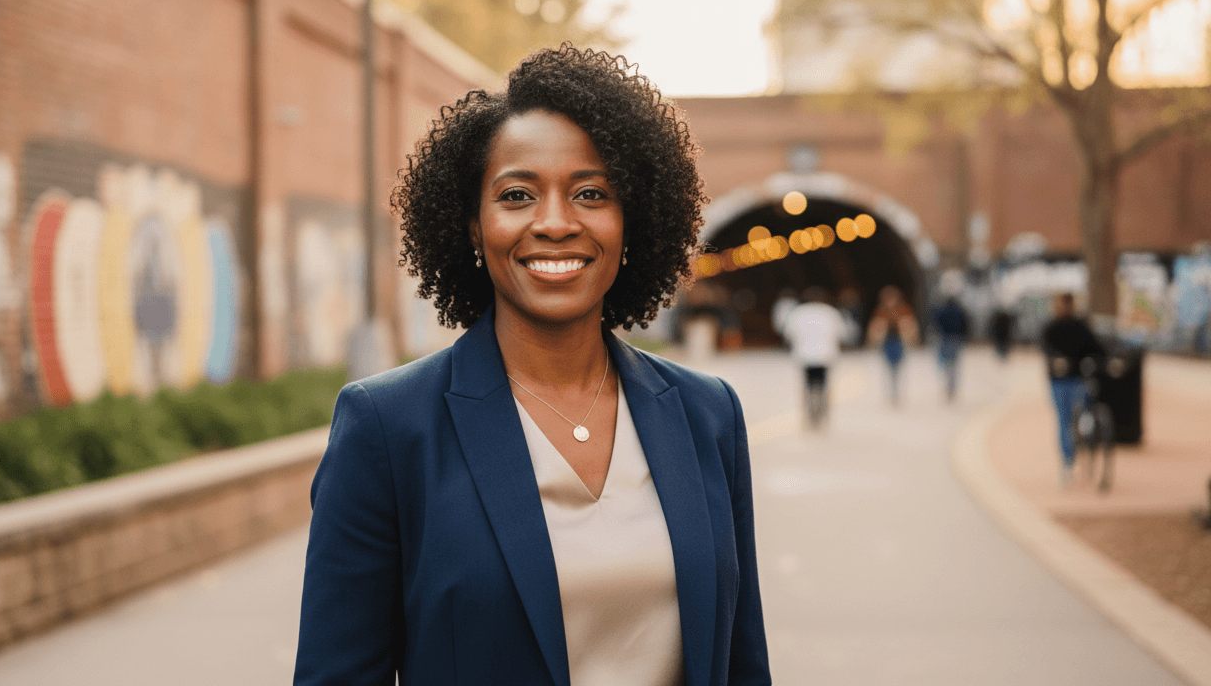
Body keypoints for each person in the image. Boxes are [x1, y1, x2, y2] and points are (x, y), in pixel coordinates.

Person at [293, 45, 771, 686]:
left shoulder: (707, 414)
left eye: (591, 193)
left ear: (633, 222)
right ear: (472, 225)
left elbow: (742, 665)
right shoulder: (387, 427)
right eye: (517, 194)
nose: (554, 222)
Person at [1040, 292, 1105, 484]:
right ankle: (1067, 460)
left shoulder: (1080, 326)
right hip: (1059, 381)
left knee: (1080, 411)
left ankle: (1084, 435)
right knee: (1064, 420)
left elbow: (1097, 348)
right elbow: (1046, 348)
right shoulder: (1052, 328)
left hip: (1077, 378)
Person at [782, 287, 851, 427]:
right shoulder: (830, 312)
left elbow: (787, 335)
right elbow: (843, 334)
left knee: (808, 385)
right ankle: (822, 412)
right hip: (825, 356)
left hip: (804, 356)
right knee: (823, 385)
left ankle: (810, 413)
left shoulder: (797, 313)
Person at [867, 285, 918, 405]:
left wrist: (912, 338)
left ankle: (897, 392)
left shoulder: (903, 310)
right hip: (886, 343)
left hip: (899, 342)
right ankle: (892, 392)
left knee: (898, 368)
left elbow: (911, 325)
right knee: (889, 369)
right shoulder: (881, 311)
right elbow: (874, 327)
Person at [931, 294, 970, 400]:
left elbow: (935, 322)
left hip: (944, 338)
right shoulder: (959, 311)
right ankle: (952, 387)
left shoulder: (941, 310)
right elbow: (965, 324)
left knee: (945, 365)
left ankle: (948, 386)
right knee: (954, 365)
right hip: (956, 339)